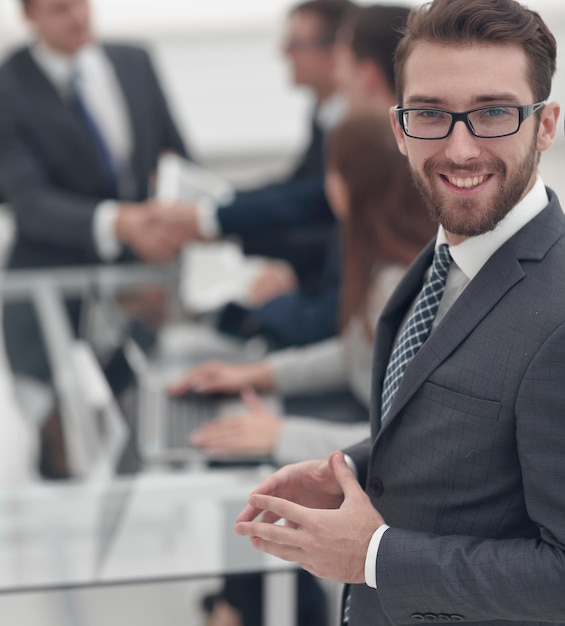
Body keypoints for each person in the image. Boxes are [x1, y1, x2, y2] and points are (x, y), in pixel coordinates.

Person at [233, 1, 565, 625]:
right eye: (432, 114)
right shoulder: (443, 259)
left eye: (493, 113)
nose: (460, 148)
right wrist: (355, 468)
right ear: (399, 127)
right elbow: (470, 433)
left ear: (544, 125)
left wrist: (374, 556)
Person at [170, 113, 434, 466]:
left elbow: (414, 442)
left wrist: (281, 435)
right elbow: (357, 355)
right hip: (355, 424)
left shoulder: (406, 286)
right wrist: (259, 375)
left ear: (348, 188)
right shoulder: (384, 268)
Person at [0, 0, 193, 476]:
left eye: (82, 4)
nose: (78, 17)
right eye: (60, 9)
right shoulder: (9, 84)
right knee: (58, 440)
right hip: (48, 286)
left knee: (138, 423)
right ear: (30, 16)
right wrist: (119, 222)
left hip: (140, 281)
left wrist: (166, 232)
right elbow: (29, 201)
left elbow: (173, 157)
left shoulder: (134, 62)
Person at [185, 4, 411, 351]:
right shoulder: (356, 140)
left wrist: (264, 307)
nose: (338, 75)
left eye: (342, 61)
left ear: (365, 74)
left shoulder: (384, 168)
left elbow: (341, 318)